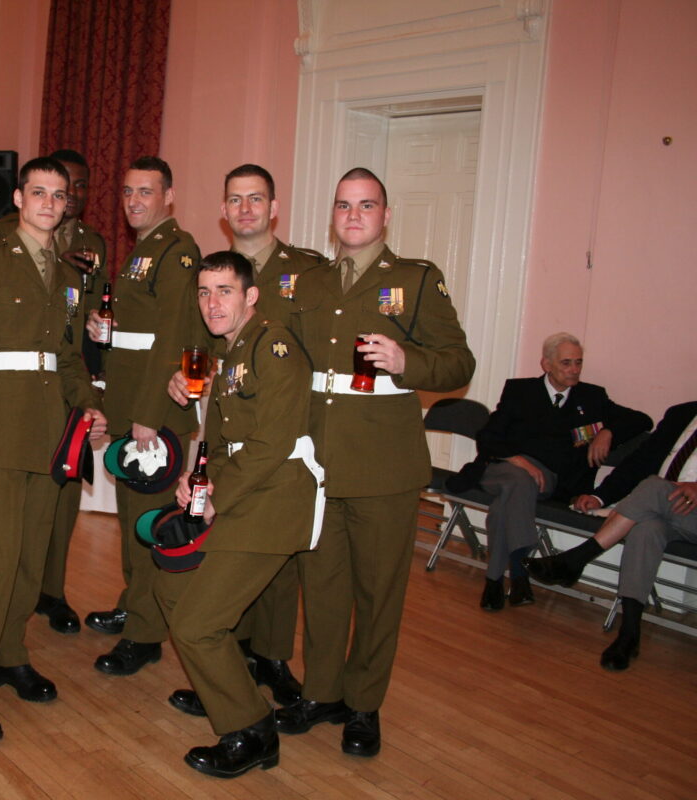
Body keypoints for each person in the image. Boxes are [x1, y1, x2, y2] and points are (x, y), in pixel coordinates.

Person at [282, 167, 474, 757]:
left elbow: (458, 363)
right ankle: (321, 692)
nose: (354, 215)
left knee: (377, 592)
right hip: (318, 460)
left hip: (384, 465)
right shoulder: (308, 281)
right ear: (332, 214)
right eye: (344, 205)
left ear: (386, 216)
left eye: (366, 205)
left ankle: (364, 705)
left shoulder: (416, 279)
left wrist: (407, 360)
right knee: (322, 587)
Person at [0, 157, 106, 743]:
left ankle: (8, 654)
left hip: (50, 429)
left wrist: (88, 403)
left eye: (58, 195)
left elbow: (66, 355)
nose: (49, 203)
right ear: (17, 197)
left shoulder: (68, 274)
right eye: (38, 192)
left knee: (31, 560)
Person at [155, 251, 318, 778]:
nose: (212, 303)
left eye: (224, 291)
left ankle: (251, 730)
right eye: (204, 293)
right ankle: (227, 690)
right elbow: (227, 441)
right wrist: (196, 480)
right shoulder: (230, 351)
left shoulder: (272, 345)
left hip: (274, 501)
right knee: (171, 588)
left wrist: (215, 497)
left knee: (196, 625)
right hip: (245, 493)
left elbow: (272, 442)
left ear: (251, 296)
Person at [83, 156, 203, 677]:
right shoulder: (143, 251)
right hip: (132, 407)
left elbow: (174, 337)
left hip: (154, 416)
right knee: (132, 524)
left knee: (152, 525)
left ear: (168, 196)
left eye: (146, 192)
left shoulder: (177, 251)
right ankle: (135, 605)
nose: (134, 201)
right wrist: (103, 331)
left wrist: (151, 414)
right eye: (128, 191)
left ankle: (146, 635)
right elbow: (139, 334)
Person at [221, 163, 327, 704]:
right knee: (233, 543)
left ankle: (274, 657)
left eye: (256, 198)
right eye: (236, 199)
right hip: (234, 422)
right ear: (224, 210)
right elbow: (209, 340)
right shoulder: (219, 273)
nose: (246, 209)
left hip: (290, 425)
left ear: (274, 207)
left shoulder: (308, 271)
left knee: (281, 557)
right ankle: (234, 657)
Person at [0, 149, 108, 634]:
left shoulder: (88, 248)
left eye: (73, 190)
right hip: (14, 394)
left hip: (66, 382)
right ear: (22, 197)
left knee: (57, 508)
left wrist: (92, 389)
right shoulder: (0, 241)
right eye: (45, 192)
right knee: (8, 529)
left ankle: (48, 597)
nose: (64, 198)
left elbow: (83, 320)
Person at [455, 332, 651, 610]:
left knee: (507, 502)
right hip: (502, 469)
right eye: (566, 363)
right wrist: (520, 461)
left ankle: (495, 579)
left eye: (578, 363)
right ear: (546, 364)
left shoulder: (592, 397)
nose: (574, 370)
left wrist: (608, 431)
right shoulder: (520, 391)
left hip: (550, 483)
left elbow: (643, 420)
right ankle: (518, 572)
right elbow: (488, 437)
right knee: (519, 480)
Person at [524, 401, 697, 670]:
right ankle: (629, 633)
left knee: (653, 487)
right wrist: (599, 497)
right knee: (646, 529)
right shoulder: (683, 414)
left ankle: (576, 559)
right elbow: (640, 463)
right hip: (667, 510)